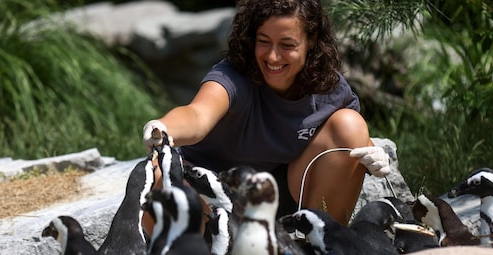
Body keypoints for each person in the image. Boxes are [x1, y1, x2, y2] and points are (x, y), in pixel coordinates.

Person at [142, 0, 390, 226]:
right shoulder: (232, 77)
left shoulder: (329, 89)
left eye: (287, 45)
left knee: (349, 125)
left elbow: (349, 142)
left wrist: (373, 156)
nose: (272, 56)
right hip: (207, 198)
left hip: (276, 203)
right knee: (159, 174)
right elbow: (197, 116)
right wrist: (162, 127)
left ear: (311, 40)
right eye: (263, 42)